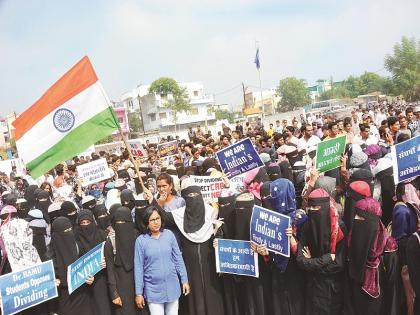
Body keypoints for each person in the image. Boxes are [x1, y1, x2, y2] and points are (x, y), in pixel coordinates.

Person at [344, 197, 399, 315]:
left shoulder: (387, 246)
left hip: (378, 304)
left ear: (371, 220)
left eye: (360, 217)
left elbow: (392, 285)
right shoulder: (352, 238)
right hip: (355, 300)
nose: (355, 219)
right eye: (355, 216)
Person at [296, 188, 346, 315]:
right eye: (310, 207)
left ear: (324, 207)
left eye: (316, 208)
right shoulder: (307, 227)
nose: (312, 211)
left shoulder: (338, 228)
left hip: (332, 290)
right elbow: (301, 261)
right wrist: (327, 258)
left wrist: (312, 262)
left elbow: (339, 265)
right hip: (312, 290)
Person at [134, 206, 190, 315]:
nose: (156, 222)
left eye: (158, 218)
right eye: (152, 220)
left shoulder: (169, 235)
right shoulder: (141, 241)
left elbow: (178, 258)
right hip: (153, 290)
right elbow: (139, 268)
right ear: (146, 222)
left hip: (172, 287)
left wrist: (184, 280)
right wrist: (139, 293)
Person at [48, 217, 96, 315]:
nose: (69, 233)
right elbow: (47, 283)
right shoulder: (49, 256)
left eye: (70, 230)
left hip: (83, 295)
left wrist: (90, 278)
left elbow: (86, 266)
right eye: (65, 231)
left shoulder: (78, 247)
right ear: (56, 235)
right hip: (65, 299)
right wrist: (53, 283)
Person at [104, 207, 144, 315]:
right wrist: (114, 293)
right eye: (118, 222)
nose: (120, 224)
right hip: (121, 287)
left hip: (139, 284)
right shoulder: (110, 241)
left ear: (130, 222)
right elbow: (110, 269)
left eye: (124, 221)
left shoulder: (137, 237)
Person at [76, 210, 112, 315]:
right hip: (87, 283)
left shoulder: (102, 234)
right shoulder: (76, 239)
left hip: (104, 278)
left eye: (88, 222)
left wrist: (106, 262)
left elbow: (109, 256)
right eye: (82, 223)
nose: (86, 225)